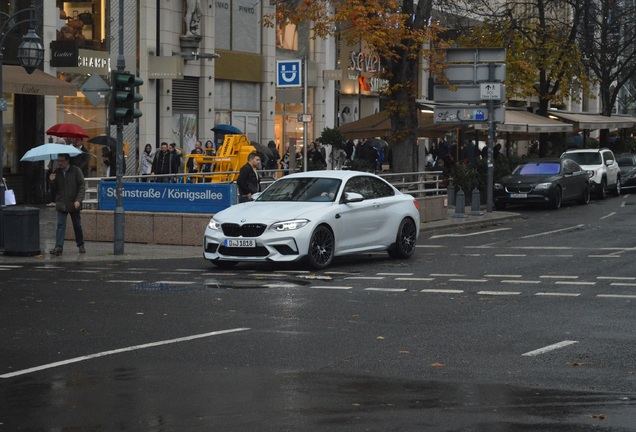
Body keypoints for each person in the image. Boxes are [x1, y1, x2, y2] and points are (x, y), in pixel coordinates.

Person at [49, 153, 86, 255]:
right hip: (61, 203)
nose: (59, 163)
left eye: (61, 161)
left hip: (73, 203)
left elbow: (82, 186)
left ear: (67, 161)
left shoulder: (76, 171)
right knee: (60, 225)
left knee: (77, 225)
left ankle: (80, 244)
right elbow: (55, 190)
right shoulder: (57, 172)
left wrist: (78, 200)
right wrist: (52, 181)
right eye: (58, 161)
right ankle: (58, 247)